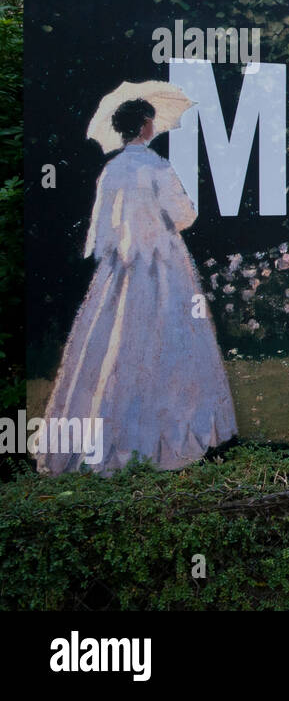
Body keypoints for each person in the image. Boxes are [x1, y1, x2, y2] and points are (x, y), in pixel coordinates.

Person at [37, 99, 238, 474]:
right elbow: (184, 215)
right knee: (171, 339)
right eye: (150, 121)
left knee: (116, 340)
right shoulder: (157, 167)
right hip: (162, 263)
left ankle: (115, 434)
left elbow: (102, 228)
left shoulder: (112, 170)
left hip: (122, 268)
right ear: (144, 126)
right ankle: (167, 437)